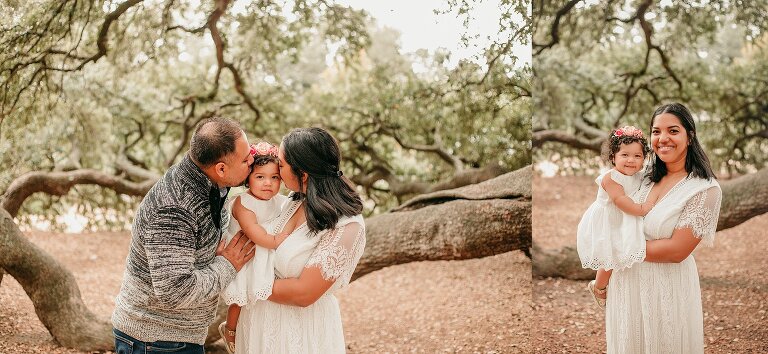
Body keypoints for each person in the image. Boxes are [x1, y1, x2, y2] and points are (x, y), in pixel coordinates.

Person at [111, 117, 257, 354]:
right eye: (246, 158)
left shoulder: (208, 180)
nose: (252, 160)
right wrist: (227, 264)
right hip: (156, 340)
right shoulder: (174, 209)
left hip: (172, 337)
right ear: (220, 168)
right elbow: (175, 292)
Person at [233, 127, 366, 353]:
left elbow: (304, 293)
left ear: (302, 174)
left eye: (281, 166)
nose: (277, 170)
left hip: (301, 334)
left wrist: (244, 284)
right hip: (259, 328)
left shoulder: (347, 225)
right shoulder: (292, 201)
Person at [603, 103, 722, 353]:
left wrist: (618, 248)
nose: (663, 138)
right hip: (626, 288)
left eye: (673, 131)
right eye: (656, 132)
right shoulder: (641, 176)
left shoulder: (705, 189)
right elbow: (610, 211)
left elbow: (676, 250)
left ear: (690, 136)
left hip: (666, 289)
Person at [217, 141, 291, 354]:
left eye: (274, 177)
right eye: (260, 177)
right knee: (240, 297)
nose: (268, 183)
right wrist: (279, 240)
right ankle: (230, 329)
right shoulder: (243, 203)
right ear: (248, 178)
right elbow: (255, 233)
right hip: (247, 253)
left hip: (264, 255)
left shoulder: (282, 201)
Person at [576, 125, 655, 309]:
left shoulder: (640, 175)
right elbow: (620, 201)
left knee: (621, 250)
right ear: (613, 157)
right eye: (625, 155)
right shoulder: (610, 178)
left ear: (644, 159)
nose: (631, 160)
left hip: (625, 218)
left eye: (637, 156)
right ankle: (598, 286)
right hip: (609, 220)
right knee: (609, 255)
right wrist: (642, 209)